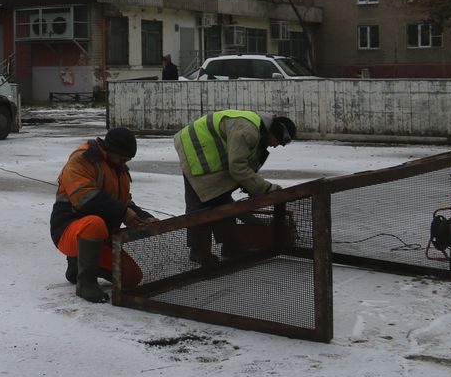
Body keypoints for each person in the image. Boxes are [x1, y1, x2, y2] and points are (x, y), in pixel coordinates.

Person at [174, 111, 297, 265]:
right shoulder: (248, 131)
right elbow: (237, 168)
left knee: (223, 198)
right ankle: (199, 251)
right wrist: (266, 189)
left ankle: (230, 246)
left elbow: (245, 164)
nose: (277, 145)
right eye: (278, 141)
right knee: (200, 204)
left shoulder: (259, 133)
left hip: (210, 151)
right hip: (194, 149)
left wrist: (251, 186)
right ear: (273, 132)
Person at [50, 127, 156, 303]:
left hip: (102, 237)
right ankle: (85, 283)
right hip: (67, 231)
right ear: (109, 150)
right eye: (122, 159)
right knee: (94, 223)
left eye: (127, 160)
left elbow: (124, 202)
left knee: (131, 278)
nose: (124, 164)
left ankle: (78, 265)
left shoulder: (118, 168)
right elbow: (84, 198)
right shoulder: (83, 159)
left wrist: (142, 217)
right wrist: (123, 213)